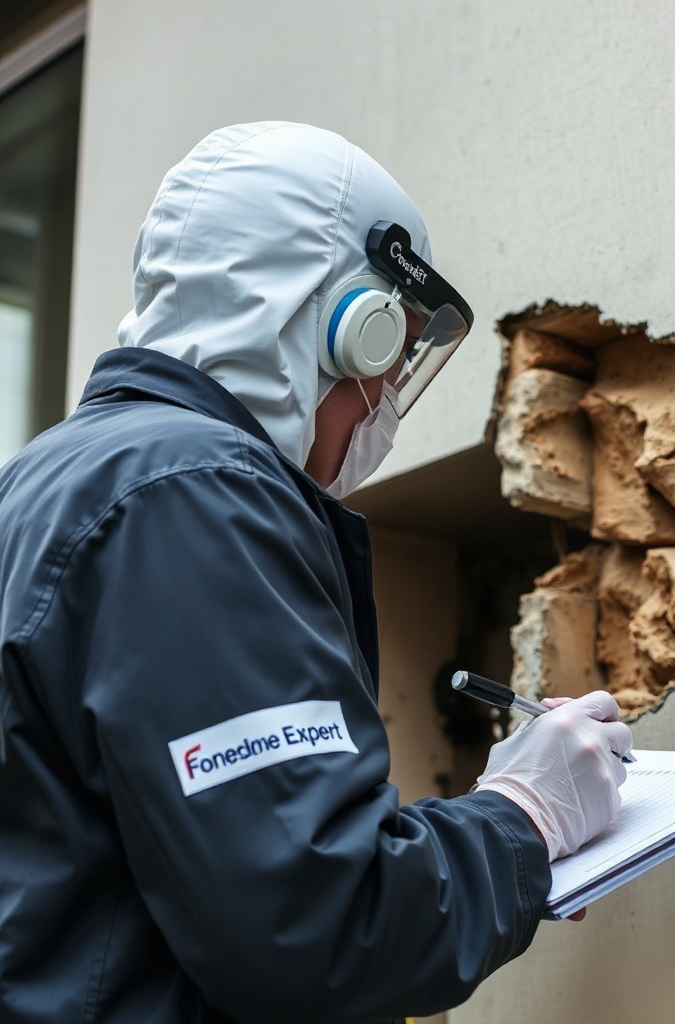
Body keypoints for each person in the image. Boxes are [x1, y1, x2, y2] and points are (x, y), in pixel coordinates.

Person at [0, 121, 633, 1024]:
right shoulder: (195, 499)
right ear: (343, 331)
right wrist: (524, 816)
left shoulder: (48, 482)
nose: (385, 404)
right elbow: (322, 924)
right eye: (394, 356)